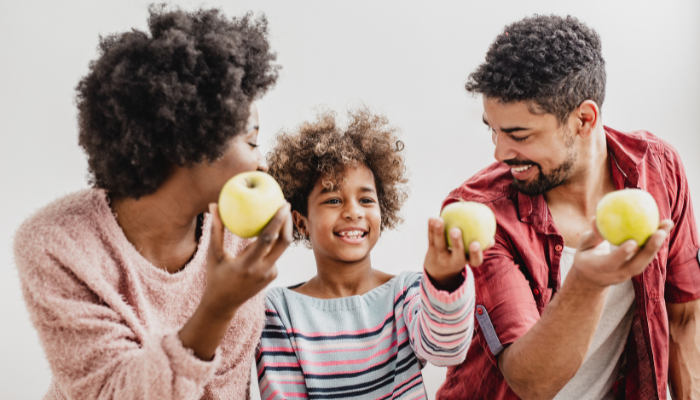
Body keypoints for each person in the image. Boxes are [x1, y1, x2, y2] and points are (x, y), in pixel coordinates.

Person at [13, 6, 292, 399]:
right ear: (191, 143)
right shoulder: (57, 244)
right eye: (251, 140)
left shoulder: (237, 240)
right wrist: (216, 308)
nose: (262, 161)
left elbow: (226, 391)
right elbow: (112, 391)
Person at [436, 15, 700, 400]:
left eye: (519, 135)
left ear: (584, 119)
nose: (499, 152)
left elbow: (685, 316)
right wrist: (587, 283)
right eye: (492, 129)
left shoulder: (659, 169)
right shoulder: (481, 213)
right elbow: (531, 382)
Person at [256, 109, 484, 399]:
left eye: (366, 199)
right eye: (333, 199)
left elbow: (446, 350)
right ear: (301, 222)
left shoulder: (406, 292)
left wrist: (445, 279)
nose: (353, 211)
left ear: (382, 210)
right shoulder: (279, 311)